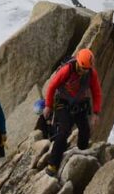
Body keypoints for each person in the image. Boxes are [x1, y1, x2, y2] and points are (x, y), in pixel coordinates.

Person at [43, 48, 102, 177]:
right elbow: (52, 86)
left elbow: (96, 92)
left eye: (86, 69)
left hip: (79, 105)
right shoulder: (67, 70)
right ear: (77, 62)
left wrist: (96, 113)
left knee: (85, 130)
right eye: (81, 68)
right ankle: (53, 164)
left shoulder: (91, 73)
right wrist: (48, 105)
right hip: (62, 103)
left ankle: (82, 152)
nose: (83, 71)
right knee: (63, 132)